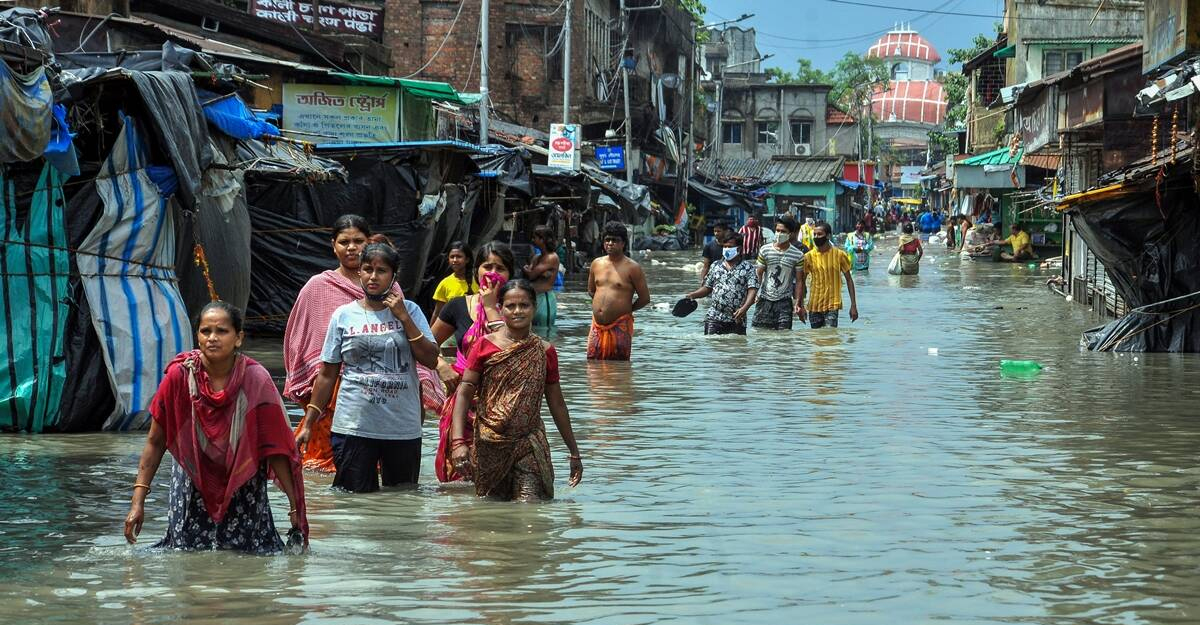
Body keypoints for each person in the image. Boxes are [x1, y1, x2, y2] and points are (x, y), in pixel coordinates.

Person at [124, 301, 307, 554]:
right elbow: (156, 443)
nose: (212, 338)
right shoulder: (179, 377)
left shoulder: (256, 380)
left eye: (222, 331)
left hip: (244, 488)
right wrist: (137, 503)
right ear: (197, 336)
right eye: (205, 331)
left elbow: (275, 449)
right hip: (192, 484)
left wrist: (294, 506)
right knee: (186, 559)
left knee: (249, 560)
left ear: (239, 338)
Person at [283, 215, 444, 473]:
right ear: (333, 245)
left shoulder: (400, 299)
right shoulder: (320, 289)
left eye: (358, 241)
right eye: (344, 241)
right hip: (342, 401)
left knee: (398, 491)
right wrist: (312, 413)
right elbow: (301, 340)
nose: (351, 247)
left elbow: (419, 356)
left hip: (397, 411)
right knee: (336, 477)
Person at [448, 279, 583, 501]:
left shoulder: (544, 351)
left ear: (534, 307)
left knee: (529, 508)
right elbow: (464, 393)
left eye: (524, 305)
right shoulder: (484, 346)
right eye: (510, 306)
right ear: (500, 308)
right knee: (492, 510)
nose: (517, 311)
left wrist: (574, 451)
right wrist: (458, 442)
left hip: (528, 440)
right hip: (489, 442)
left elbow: (557, 403)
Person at [430, 242, 514, 482]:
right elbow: (426, 345)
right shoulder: (458, 306)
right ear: (476, 269)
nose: (492, 272)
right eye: (487, 266)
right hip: (462, 403)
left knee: (497, 479)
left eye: (500, 267)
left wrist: (490, 307)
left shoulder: (517, 309)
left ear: (510, 274)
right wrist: (441, 366)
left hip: (502, 405)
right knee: (459, 478)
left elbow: (514, 350)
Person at [587, 221, 650, 360]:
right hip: (597, 326)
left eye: (614, 240)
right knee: (592, 367)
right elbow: (591, 291)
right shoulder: (596, 264)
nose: (610, 243)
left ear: (623, 243)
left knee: (619, 368)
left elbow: (645, 298)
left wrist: (626, 310)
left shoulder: (633, 268)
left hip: (620, 325)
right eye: (607, 240)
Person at [683, 232, 759, 335]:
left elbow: (752, 290)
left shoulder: (748, 268)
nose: (727, 249)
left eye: (730, 246)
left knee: (738, 347)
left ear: (739, 249)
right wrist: (693, 295)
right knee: (713, 345)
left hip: (737, 318)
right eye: (725, 246)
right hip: (714, 317)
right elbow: (707, 288)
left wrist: (745, 308)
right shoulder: (715, 266)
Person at [796, 221, 859, 329]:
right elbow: (801, 281)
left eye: (819, 234)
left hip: (832, 305)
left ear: (828, 236)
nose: (816, 237)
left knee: (830, 337)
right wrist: (800, 305)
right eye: (814, 234)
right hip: (814, 305)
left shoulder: (839, 255)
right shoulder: (808, 257)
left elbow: (849, 280)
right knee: (816, 340)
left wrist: (853, 305)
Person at [752, 215, 805, 330]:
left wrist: (798, 303)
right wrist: (754, 293)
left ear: (790, 233)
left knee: (784, 338)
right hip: (764, 299)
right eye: (777, 230)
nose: (779, 234)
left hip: (785, 302)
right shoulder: (765, 250)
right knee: (759, 334)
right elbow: (758, 274)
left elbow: (800, 281)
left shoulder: (798, 255)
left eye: (783, 231)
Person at [523, 225, 560, 336]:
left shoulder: (552, 257)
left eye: (535, 238)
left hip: (545, 299)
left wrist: (528, 270)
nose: (533, 240)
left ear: (542, 239)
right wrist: (536, 272)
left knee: (545, 332)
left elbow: (531, 274)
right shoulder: (537, 257)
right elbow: (530, 274)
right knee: (531, 332)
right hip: (533, 298)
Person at [432, 241, 477, 323]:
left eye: (459, 256)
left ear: (467, 259)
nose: (455, 260)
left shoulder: (478, 281)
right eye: (452, 257)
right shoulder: (445, 283)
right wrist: (430, 334)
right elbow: (437, 313)